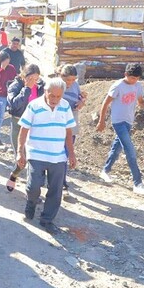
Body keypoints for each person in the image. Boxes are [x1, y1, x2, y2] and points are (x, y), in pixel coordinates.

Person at [17, 78, 77, 234]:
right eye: (52, 96)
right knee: (33, 186)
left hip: (58, 156)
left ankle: (47, 219)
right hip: (36, 153)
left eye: (59, 96)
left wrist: (71, 154)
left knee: (55, 191)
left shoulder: (64, 107)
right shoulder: (34, 106)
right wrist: (20, 151)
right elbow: (23, 130)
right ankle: (31, 202)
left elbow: (68, 132)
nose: (55, 100)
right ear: (46, 92)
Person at [96, 63, 144, 195]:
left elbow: (141, 103)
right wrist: (101, 121)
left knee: (117, 147)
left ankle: (105, 171)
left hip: (129, 121)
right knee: (129, 149)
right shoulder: (118, 86)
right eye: (132, 78)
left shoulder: (138, 86)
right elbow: (106, 103)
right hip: (118, 121)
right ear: (126, 74)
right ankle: (137, 182)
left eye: (137, 78)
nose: (134, 81)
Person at [5, 64, 44, 191]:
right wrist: (26, 89)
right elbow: (14, 104)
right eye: (31, 78)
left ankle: (31, 190)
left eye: (36, 79)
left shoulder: (40, 88)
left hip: (34, 126)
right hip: (18, 124)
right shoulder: (15, 86)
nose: (34, 81)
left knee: (33, 158)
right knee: (21, 157)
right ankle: (14, 175)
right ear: (24, 76)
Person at [60, 64, 87, 197]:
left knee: (65, 154)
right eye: (67, 80)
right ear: (61, 76)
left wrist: (82, 102)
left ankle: (62, 183)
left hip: (72, 124)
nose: (70, 83)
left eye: (72, 79)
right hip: (58, 125)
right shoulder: (57, 86)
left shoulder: (75, 85)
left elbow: (80, 97)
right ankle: (59, 182)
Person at [0, 50, 17, 146]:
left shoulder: (11, 68)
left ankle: (13, 137)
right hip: (0, 95)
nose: (7, 62)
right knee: (0, 117)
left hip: (10, 95)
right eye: (5, 60)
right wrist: (2, 69)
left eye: (8, 60)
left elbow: (14, 79)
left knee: (13, 116)